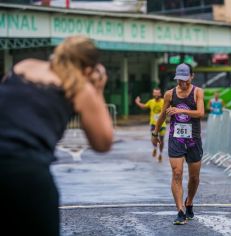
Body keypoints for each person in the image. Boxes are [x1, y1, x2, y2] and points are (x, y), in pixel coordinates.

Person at [0, 36, 113, 236]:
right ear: (88, 67)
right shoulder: (79, 87)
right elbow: (103, 142)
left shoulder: (24, 66)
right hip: (26, 174)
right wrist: (97, 90)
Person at [152, 63, 204, 225]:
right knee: (177, 173)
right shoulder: (169, 94)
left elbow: (200, 113)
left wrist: (181, 111)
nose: (182, 83)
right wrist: (155, 133)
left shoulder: (197, 92)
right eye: (180, 79)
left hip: (193, 139)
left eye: (185, 79)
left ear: (192, 76)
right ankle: (180, 211)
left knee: (194, 177)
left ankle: (189, 202)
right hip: (176, 138)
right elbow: (161, 116)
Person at [135, 88, 167, 162]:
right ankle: (155, 148)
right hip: (153, 124)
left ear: (160, 94)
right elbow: (144, 106)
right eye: (155, 93)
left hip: (162, 125)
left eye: (157, 93)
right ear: (153, 94)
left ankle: (161, 154)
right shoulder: (151, 102)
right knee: (153, 139)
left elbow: (170, 107)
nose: (156, 95)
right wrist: (137, 102)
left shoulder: (164, 101)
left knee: (161, 140)